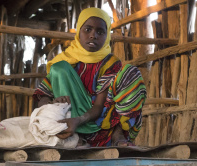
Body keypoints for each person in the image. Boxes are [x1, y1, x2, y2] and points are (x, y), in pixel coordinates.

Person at [33, 8, 146, 147]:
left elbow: (99, 106)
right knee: (59, 68)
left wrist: (78, 120)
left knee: (130, 73)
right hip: (66, 123)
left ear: (107, 36)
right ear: (79, 31)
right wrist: (53, 105)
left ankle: (119, 134)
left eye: (100, 32)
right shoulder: (65, 61)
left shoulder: (109, 63)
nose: (93, 35)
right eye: (87, 30)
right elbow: (42, 95)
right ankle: (74, 138)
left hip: (100, 123)